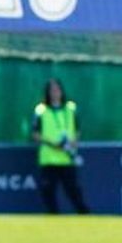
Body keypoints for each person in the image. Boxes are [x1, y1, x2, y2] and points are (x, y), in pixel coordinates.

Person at [31, 77, 90, 214]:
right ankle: (53, 217)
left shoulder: (70, 108)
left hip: (67, 157)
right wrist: (53, 144)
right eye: (52, 90)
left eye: (57, 89)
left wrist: (72, 143)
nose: (55, 93)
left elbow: (77, 130)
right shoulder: (41, 110)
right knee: (48, 190)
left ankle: (84, 215)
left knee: (73, 189)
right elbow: (35, 133)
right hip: (49, 158)